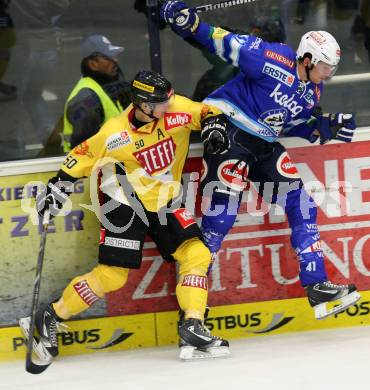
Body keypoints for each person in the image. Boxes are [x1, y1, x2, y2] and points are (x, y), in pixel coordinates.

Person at [160, 1, 361, 320]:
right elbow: (220, 40)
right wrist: (186, 22)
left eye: (331, 69)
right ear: (306, 58)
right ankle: (192, 311)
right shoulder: (270, 56)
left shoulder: (313, 92)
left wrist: (320, 126)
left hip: (264, 143)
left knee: (302, 203)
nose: (328, 74)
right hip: (229, 132)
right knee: (220, 218)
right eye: (325, 66)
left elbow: (290, 121)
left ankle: (317, 284)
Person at [26, 70, 229, 362]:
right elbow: (81, 156)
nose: (169, 105)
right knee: (112, 276)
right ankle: (51, 316)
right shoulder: (115, 133)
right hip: (123, 200)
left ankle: (192, 325)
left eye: (169, 99)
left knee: (197, 253)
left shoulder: (177, 108)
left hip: (164, 200)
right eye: (161, 103)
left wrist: (214, 126)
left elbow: (210, 111)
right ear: (143, 105)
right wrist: (57, 188)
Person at [61, 34, 131, 153]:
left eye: (115, 56)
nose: (115, 60)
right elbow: (85, 154)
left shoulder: (105, 88)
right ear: (93, 64)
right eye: (109, 57)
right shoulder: (87, 99)